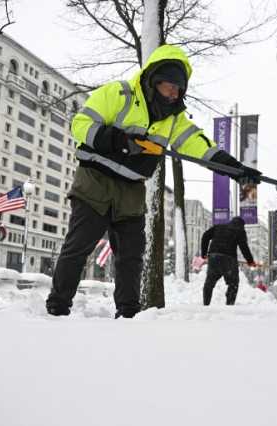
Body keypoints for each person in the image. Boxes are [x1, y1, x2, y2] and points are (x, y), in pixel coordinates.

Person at [46, 44, 261, 317]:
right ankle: (57, 306)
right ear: (154, 79)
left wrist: (236, 169)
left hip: (133, 188)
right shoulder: (118, 94)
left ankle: (128, 313)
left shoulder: (174, 119)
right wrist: (121, 140)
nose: (174, 93)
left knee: (131, 256)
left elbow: (200, 145)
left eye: (179, 89)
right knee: (79, 246)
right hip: (95, 180)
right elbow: (80, 124)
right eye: (169, 86)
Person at [200, 216, 257, 306]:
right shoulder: (240, 231)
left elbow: (205, 236)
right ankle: (229, 305)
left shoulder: (219, 227)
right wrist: (250, 261)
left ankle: (206, 304)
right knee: (233, 283)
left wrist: (203, 253)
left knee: (209, 282)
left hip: (214, 257)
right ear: (241, 225)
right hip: (228, 259)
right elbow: (244, 247)